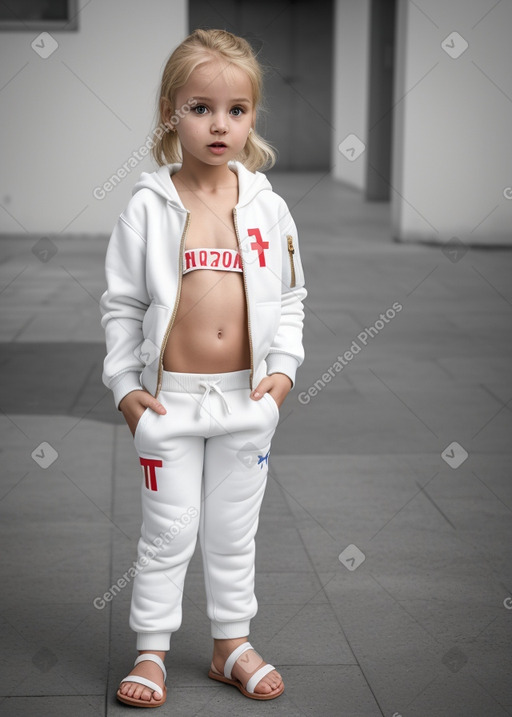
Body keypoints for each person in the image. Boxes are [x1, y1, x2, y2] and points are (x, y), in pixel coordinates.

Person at [99, 28, 306, 708]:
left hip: (246, 402)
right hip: (170, 402)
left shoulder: (268, 207)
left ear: (252, 117)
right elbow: (122, 305)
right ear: (169, 111)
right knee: (169, 528)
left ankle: (230, 645)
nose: (220, 124)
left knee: (231, 530)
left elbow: (293, 295)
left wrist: (282, 373)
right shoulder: (148, 207)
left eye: (237, 110)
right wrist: (126, 389)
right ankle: (151, 648)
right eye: (200, 107)